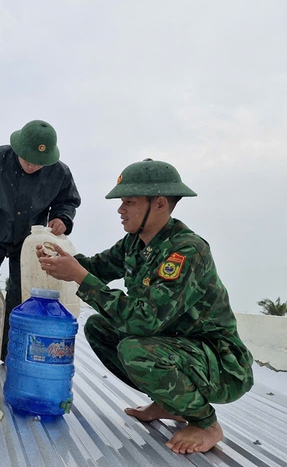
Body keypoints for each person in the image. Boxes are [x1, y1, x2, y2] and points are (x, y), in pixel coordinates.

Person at [36, 158, 254, 454]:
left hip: (221, 363)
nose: (120, 209)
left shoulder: (187, 250)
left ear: (160, 204)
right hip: (178, 348)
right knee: (100, 328)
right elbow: (95, 268)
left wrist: (79, 276)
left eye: (130, 202)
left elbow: (144, 320)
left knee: (135, 348)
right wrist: (63, 259)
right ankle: (170, 403)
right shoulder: (134, 243)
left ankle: (205, 423)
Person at [0, 120, 81, 360]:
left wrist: (62, 217)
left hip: (27, 244)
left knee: (21, 296)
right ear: (17, 149)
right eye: (29, 159)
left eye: (40, 162)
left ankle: (8, 352)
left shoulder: (60, 172)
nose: (34, 165)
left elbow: (68, 200)